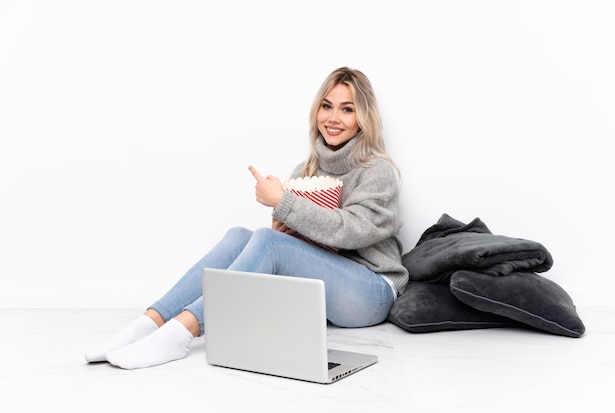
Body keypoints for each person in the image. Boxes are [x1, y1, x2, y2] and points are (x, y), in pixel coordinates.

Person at [84, 67, 409, 369]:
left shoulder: (377, 170)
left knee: (269, 243)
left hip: (372, 291)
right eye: (327, 106)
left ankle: (181, 334)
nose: (333, 117)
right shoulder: (306, 171)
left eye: (347, 109)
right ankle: (146, 324)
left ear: (363, 117)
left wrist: (282, 204)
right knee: (241, 235)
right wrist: (283, 229)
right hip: (321, 294)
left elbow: (351, 230)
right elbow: (305, 247)